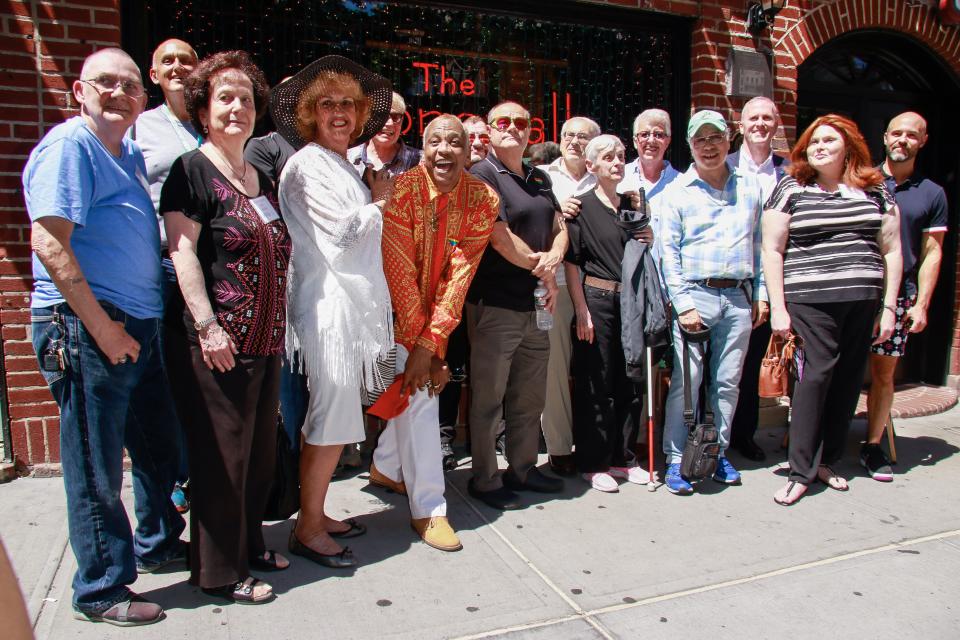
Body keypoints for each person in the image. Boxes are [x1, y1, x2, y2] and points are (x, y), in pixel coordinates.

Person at [25, 47, 184, 626]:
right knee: (94, 464)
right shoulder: (73, 146)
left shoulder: (130, 154)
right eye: (105, 84)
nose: (119, 93)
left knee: (159, 445)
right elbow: (50, 242)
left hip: (134, 326)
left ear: (143, 99)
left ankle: (158, 541)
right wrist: (103, 328)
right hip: (88, 327)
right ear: (80, 91)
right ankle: (101, 588)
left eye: (129, 86)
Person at [161, 50, 290, 604]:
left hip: (266, 341)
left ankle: (251, 545)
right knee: (222, 458)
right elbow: (182, 249)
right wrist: (208, 325)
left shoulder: (260, 175)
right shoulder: (192, 169)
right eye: (224, 98)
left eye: (245, 98)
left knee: (259, 454)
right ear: (203, 109)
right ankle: (218, 570)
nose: (237, 107)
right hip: (217, 343)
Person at [273, 56, 394, 567]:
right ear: (309, 113)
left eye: (348, 103)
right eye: (327, 104)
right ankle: (307, 527)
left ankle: (317, 515)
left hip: (349, 306)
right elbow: (343, 238)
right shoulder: (305, 165)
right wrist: (381, 200)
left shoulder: (342, 164)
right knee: (328, 418)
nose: (339, 112)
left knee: (340, 417)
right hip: (327, 310)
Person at [372, 114, 499, 550]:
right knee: (423, 390)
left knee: (418, 391)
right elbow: (399, 271)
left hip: (441, 314)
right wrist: (419, 347)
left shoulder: (483, 199)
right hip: (391, 312)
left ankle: (389, 467)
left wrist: (432, 341)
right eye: (435, 141)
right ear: (422, 147)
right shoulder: (402, 191)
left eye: (455, 142)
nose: (444, 150)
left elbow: (461, 273)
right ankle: (428, 508)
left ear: (468, 150)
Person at [763, 114, 902, 506]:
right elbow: (772, 249)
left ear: (850, 147)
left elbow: (892, 250)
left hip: (862, 301)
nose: (819, 147)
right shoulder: (792, 187)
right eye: (813, 142)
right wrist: (778, 308)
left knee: (847, 380)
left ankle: (828, 460)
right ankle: (800, 470)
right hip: (811, 301)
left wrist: (889, 307)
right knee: (814, 378)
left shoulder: (876, 191)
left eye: (828, 141)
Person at [465, 100, 568, 510]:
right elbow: (497, 235)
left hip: (537, 306)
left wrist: (554, 259)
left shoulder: (540, 177)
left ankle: (523, 467)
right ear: (489, 130)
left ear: (531, 132)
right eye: (503, 122)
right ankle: (486, 479)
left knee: (529, 396)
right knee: (489, 398)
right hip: (496, 305)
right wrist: (540, 268)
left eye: (521, 122)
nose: (513, 128)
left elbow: (561, 227)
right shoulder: (482, 173)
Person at [659, 110, 767, 496]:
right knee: (687, 385)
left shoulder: (751, 187)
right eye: (700, 139)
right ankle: (675, 459)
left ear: (728, 141)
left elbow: (760, 244)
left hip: (737, 297)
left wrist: (761, 294)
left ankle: (715, 451)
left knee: (727, 384)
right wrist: (682, 302)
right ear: (690, 145)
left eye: (715, 138)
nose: (708, 145)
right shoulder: (677, 192)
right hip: (696, 296)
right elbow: (667, 254)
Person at [130, 38, 200, 514]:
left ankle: (203, 470)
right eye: (167, 61)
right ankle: (176, 477)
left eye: (187, 60)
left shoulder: (213, 121)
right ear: (153, 75)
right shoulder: (141, 128)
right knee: (172, 378)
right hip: (166, 267)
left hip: (218, 269)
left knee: (207, 377)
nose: (178, 66)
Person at [563, 134, 655, 492]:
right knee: (595, 383)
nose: (617, 162)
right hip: (597, 300)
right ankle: (594, 461)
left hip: (632, 302)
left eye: (620, 156)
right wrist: (582, 311)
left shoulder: (633, 207)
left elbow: (643, 251)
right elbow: (573, 265)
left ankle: (623, 458)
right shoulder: (580, 208)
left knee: (630, 381)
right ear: (592, 166)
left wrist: (647, 234)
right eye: (607, 157)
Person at [863, 112, 947, 481]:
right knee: (836, 368)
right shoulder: (861, 181)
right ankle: (821, 439)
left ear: (923, 140)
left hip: (898, 296)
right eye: (896, 133)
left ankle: (872, 446)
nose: (902, 140)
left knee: (883, 373)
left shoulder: (932, 193)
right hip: (856, 290)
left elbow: (932, 251)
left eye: (911, 135)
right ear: (884, 137)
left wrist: (922, 303)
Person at [727, 96, 790, 463]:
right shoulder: (725, 164)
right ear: (741, 124)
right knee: (720, 365)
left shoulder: (791, 171)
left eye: (767, 118)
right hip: (730, 278)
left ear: (776, 124)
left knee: (750, 366)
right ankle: (709, 435)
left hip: (769, 281)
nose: (760, 124)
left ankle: (743, 434)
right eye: (754, 118)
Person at [537, 116, 602, 477]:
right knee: (555, 367)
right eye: (569, 135)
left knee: (596, 366)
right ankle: (560, 448)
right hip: (556, 283)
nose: (575, 141)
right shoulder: (542, 177)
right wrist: (561, 210)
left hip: (600, 283)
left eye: (584, 136)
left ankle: (596, 442)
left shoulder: (609, 173)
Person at [436, 114, 493, 470]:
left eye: (481, 136)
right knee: (449, 365)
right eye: (468, 136)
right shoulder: (441, 178)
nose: (477, 141)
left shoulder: (491, 181)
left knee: (483, 368)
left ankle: (487, 436)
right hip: (449, 292)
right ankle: (443, 435)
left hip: (486, 291)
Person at [616, 108, 681, 244]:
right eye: (644, 134)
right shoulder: (618, 178)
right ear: (635, 141)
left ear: (668, 141)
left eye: (658, 134)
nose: (651, 140)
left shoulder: (682, 184)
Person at [348, 90, 421, 176]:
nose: (389, 123)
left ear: (402, 121)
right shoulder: (347, 158)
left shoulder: (419, 161)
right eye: (381, 116)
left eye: (395, 117)